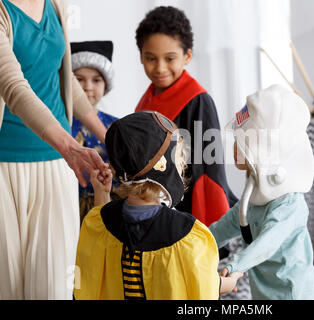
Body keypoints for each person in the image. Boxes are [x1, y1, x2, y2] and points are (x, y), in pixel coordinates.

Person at [0, 0, 108, 299]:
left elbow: (63, 76)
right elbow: (12, 86)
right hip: (5, 163)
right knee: (7, 285)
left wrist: (108, 135)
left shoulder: (55, 4)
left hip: (58, 163)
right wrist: (70, 146)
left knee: (55, 285)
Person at [74, 111, 243, 300]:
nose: (183, 164)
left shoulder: (100, 221)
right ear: (164, 167)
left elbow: (100, 244)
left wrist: (102, 192)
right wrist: (230, 281)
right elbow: (204, 283)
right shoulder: (186, 234)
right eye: (179, 157)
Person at [209, 85, 314, 300]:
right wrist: (198, 242)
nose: (234, 149)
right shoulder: (254, 197)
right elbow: (227, 225)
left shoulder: (290, 206)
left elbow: (267, 243)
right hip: (264, 295)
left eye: (241, 144)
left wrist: (236, 266)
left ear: (264, 152)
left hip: (294, 295)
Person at [134, 6, 237, 228]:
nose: (160, 68)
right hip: (154, 206)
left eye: (170, 58)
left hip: (186, 211)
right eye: (150, 58)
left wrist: (206, 226)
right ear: (141, 56)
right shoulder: (146, 102)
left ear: (187, 56)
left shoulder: (197, 101)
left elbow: (210, 167)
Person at [70, 40, 119, 222]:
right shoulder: (58, 125)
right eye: (78, 79)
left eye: (96, 80)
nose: (87, 86)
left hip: (107, 203)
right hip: (67, 205)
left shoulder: (115, 126)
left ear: (106, 85)